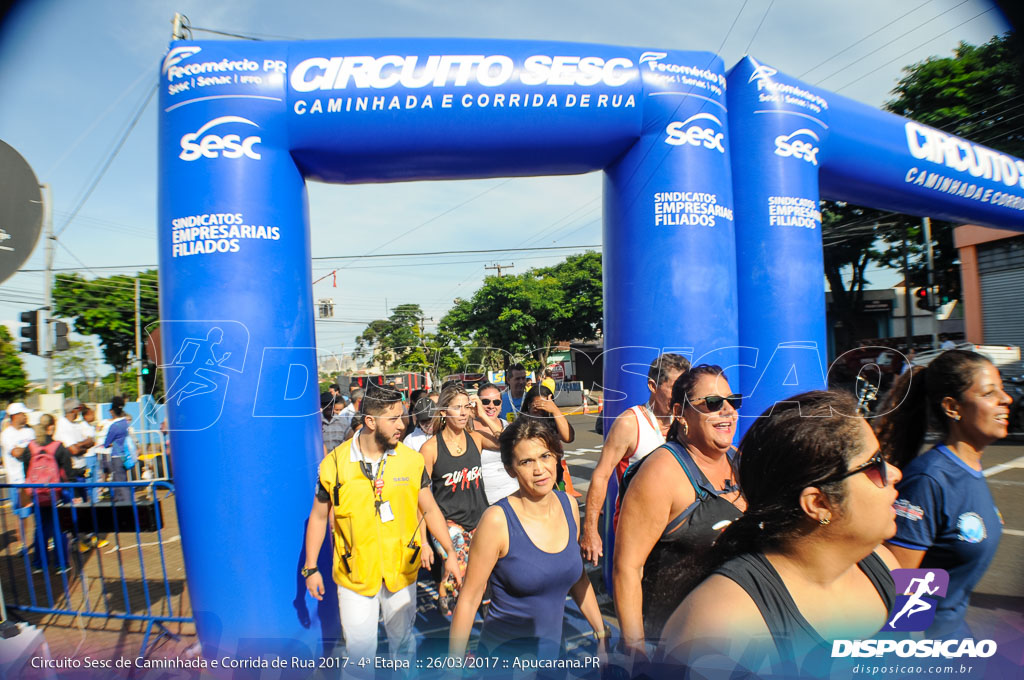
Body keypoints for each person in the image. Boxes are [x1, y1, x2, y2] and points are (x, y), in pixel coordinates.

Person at [658, 390, 902, 676]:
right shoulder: (718, 624)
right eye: (875, 466)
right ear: (819, 503)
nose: (895, 473)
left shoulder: (890, 566)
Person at [302, 384, 461, 663]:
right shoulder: (334, 464)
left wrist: (449, 554)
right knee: (360, 653)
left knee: (403, 645)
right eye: (393, 419)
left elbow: (430, 509)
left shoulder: (411, 461)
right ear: (370, 421)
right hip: (355, 578)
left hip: (401, 572)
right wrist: (311, 567)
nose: (402, 425)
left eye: (402, 416)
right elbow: (317, 517)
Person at [875, 349, 1009, 638]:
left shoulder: (968, 468)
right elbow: (900, 592)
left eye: (1002, 389)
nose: (1006, 398)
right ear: (952, 407)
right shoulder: (931, 479)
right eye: (989, 393)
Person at [449, 417, 607, 663]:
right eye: (526, 461)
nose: (539, 469)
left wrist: (601, 633)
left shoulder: (569, 506)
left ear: (556, 457)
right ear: (511, 469)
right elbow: (469, 599)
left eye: (545, 456)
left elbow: (578, 577)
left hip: (554, 657)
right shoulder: (497, 521)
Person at [614, 365, 745, 654]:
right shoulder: (662, 472)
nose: (727, 410)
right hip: (676, 645)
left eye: (732, 401)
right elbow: (627, 567)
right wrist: (635, 649)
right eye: (712, 403)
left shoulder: (739, 460)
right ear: (680, 413)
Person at [581, 353, 690, 566]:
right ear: (653, 385)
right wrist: (590, 530)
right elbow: (601, 476)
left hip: (678, 529)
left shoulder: (685, 421)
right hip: (637, 531)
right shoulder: (630, 424)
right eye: (675, 388)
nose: (680, 396)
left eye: (684, 389)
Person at [419, 384, 490, 615]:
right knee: (464, 578)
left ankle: (446, 590)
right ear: (442, 412)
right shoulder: (429, 449)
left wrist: (483, 416)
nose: (463, 413)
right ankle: (462, 644)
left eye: (466, 407)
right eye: (457, 407)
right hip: (447, 523)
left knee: (484, 575)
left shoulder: (476, 438)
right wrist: (425, 542)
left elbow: (508, 441)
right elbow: (421, 499)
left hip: (479, 519)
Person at [27, 413, 80, 573]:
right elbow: (69, 473)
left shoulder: (29, 448)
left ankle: (39, 563)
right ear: (51, 428)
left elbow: (27, 473)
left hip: (37, 494)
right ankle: (61, 563)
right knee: (59, 527)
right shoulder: (59, 447)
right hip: (57, 493)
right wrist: (75, 493)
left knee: (41, 527)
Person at [473, 383, 518, 504]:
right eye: (486, 402)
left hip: (512, 495)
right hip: (481, 500)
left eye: (496, 402)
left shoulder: (508, 427)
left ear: (501, 404)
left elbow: (507, 442)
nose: (491, 406)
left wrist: (484, 417)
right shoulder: (468, 427)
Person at [1, 403, 35, 542]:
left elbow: (25, 451)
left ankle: (44, 539)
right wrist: (28, 448)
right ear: (15, 416)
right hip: (17, 481)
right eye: (23, 414)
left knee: (39, 510)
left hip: (32, 478)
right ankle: (23, 544)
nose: (25, 416)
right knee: (22, 514)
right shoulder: (6, 434)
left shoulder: (29, 431)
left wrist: (23, 449)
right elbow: (16, 453)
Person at [102, 396, 134, 504]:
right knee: (118, 480)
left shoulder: (114, 426)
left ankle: (128, 504)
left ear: (113, 411)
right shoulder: (125, 423)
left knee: (120, 482)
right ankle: (118, 502)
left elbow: (106, 443)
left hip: (116, 457)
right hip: (125, 456)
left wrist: (109, 444)